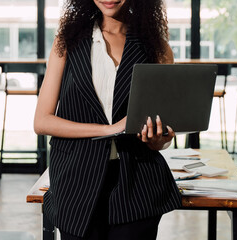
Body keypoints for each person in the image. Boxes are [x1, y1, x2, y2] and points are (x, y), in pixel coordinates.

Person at [34, 0, 181, 239]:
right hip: (75, 182)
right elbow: (42, 121)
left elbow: (160, 138)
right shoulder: (67, 41)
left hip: (136, 183)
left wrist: (159, 140)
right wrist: (109, 129)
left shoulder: (157, 47)